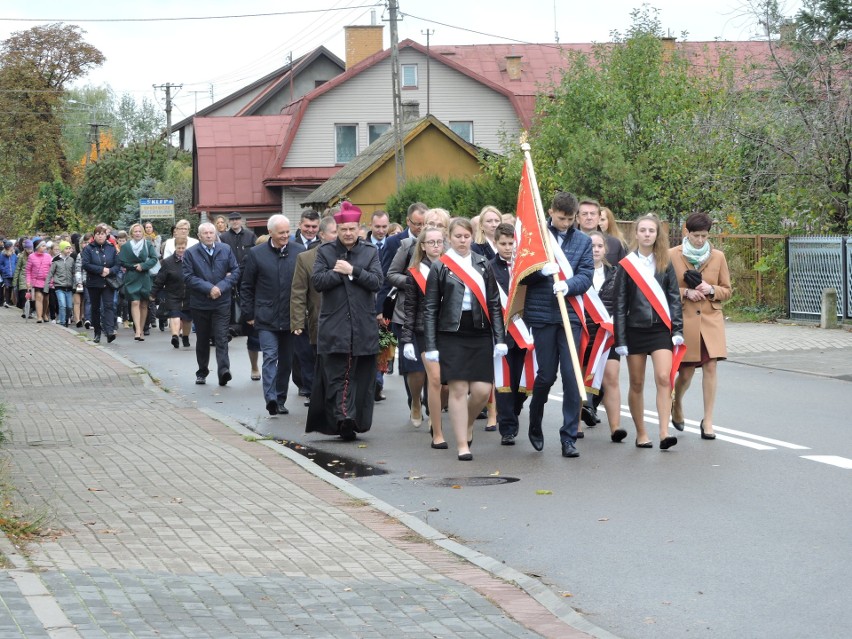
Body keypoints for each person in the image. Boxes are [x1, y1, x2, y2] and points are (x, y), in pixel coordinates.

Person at [423, 217, 506, 461]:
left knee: (482, 390)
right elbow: (430, 308)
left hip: (479, 331)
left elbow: (493, 302)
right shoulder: (441, 266)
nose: (462, 240)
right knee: (458, 389)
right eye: (457, 236)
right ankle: (462, 444)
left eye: (466, 236)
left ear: (473, 237)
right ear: (449, 237)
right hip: (451, 333)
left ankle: (467, 423)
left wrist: (499, 338)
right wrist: (431, 346)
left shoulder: (483, 264)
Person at [521, 191, 593, 458]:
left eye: (570, 219)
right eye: (561, 218)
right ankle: (535, 417)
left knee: (573, 376)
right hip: (542, 316)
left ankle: (568, 437)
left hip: (570, 315)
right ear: (551, 212)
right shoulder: (537, 238)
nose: (565, 224)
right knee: (547, 375)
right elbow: (522, 275)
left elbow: (586, 275)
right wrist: (541, 273)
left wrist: (568, 285)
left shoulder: (583, 241)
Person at [306, 202, 383, 441]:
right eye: (343, 230)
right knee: (338, 374)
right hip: (335, 326)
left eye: (352, 229)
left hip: (362, 325)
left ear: (359, 229)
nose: (348, 233)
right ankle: (343, 418)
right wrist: (338, 273)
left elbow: (377, 282)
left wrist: (353, 271)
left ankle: (353, 419)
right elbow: (318, 282)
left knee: (359, 375)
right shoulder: (326, 251)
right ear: (337, 230)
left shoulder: (369, 252)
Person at [614, 213, 684, 450]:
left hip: (660, 330)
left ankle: (664, 433)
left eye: (651, 231)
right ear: (636, 233)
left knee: (664, 378)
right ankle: (642, 433)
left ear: (657, 234)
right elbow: (620, 303)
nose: (646, 234)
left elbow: (674, 297)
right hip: (634, 330)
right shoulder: (626, 265)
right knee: (636, 383)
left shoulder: (665, 262)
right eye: (642, 230)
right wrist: (620, 338)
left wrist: (677, 329)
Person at [670, 212, 732, 440]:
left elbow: (727, 290)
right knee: (685, 373)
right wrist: (685, 292)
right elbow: (662, 290)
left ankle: (708, 420)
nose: (700, 240)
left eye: (704, 236)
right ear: (687, 232)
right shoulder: (671, 256)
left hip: (710, 320)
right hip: (685, 320)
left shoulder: (718, 257)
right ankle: (676, 403)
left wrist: (712, 289)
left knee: (711, 366)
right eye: (696, 236)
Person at [240, 215, 304, 416]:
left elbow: (304, 286)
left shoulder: (299, 252)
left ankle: (280, 398)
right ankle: (271, 399)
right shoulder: (257, 254)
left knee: (286, 361)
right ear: (270, 233)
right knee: (270, 357)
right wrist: (249, 313)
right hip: (265, 316)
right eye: (281, 233)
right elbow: (247, 285)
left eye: (287, 232)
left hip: (291, 317)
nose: (285, 236)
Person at [402, 225, 448, 447]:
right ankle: (425, 411)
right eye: (431, 242)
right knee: (433, 378)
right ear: (423, 245)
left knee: (446, 383)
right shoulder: (415, 272)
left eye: (439, 242)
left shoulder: (452, 267)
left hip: (447, 330)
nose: (436, 246)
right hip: (422, 330)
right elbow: (410, 307)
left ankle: (434, 409)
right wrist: (406, 337)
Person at [490, 223, 532, 446]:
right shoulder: (488, 268)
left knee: (522, 384)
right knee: (504, 383)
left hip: (525, 332)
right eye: (503, 244)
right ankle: (506, 427)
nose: (508, 248)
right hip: (502, 334)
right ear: (495, 243)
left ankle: (515, 410)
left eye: (511, 243)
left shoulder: (526, 266)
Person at [582, 231, 627, 442]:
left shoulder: (617, 273)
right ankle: (575, 426)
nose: (596, 250)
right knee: (579, 381)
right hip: (583, 335)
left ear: (605, 249)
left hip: (608, 337)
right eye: (591, 246)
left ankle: (615, 427)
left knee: (611, 379)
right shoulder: (577, 273)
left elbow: (623, 302)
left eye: (599, 246)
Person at [182, 222, 240, 386]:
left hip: (221, 302)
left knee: (221, 338)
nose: (208, 235)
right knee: (202, 339)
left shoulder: (225, 249)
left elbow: (235, 271)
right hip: (200, 304)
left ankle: (224, 371)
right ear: (199, 236)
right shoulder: (191, 253)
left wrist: (220, 287)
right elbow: (188, 277)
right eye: (205, 233)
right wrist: (209, 289)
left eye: (211, 233)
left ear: (215, 235)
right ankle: (202, 371)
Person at [290, 216, 337, 404]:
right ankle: (314, 393)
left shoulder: (352, 256)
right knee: (314, 359)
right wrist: (297, 322)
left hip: (345, 320)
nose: (339, 235)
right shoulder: (306, 258)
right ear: (322, 234)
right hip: (317, 319)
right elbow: (298, 292)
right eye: (334, 232)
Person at [219, 211, 260, 377]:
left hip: (247, 275)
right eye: (232, 220)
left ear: (241, 220)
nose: (235, 222)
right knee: (229, 302)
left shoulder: (250, 236)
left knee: (244, 302)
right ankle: (232, 326)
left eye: (237, 219)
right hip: (229, 274)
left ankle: (240, 325)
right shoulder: (223, 237)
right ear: (229, 222)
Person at [119, 223, 159, 341]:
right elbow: (122, 261)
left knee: (144, 304)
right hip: (132, 276)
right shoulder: (126, 246)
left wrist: (143, 266)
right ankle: (137, 330)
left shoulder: (147, 244)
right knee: (135, 302)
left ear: (143, 233)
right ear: (131, 233)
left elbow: (154, 258)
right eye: (135, 231)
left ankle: (141, 329)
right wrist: (133, 266)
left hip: (145, 276)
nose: (137, 233)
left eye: (139, 231)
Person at [81, 224, 120, 343]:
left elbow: (117, 265)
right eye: (98, 234)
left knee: (108, 306)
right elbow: (86, 264)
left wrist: (109, 271)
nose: (100, 236)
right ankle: (97, 332)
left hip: (108, 282)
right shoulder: (89, 248)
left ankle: (109, 331)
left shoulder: (111, 248)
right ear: (94, 236)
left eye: (102, 234)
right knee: (95, 308)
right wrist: (101, 270)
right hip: (94, 282)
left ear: (106, 235)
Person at [151, 236, 192, 348]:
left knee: (187, 319)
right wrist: (153, 293)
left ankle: (185, 336)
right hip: (173, 294)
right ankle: (175, 336)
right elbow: (160, 279)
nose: (181, 250)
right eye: (179, 248)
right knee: (175, 315)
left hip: (188, 294)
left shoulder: (191, 260)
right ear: (175, 247)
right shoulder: (167, 262)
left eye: (183, 248)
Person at [578, 199, 627, 270]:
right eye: (584, 214)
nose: (589, 217)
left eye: (593, 214)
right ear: (577, 218)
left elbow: (622, 274)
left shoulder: (614, 244)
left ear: (599, 218)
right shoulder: (569, 243)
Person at [46, 240, 75, 327]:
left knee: (69, 306)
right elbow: (50, 273)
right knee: (62, 305)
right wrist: (46, 287)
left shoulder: (71, 260)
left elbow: (74, 273)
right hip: (59, 286)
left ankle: (66, 319)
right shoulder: (56, 260)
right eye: (67, 248)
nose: (69, 250)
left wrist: (75, 284)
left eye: (70, 248)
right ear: (62, 249)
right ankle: (62, 322)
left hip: (69, 286)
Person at [26, 240, 54, 323]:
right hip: (36, 281)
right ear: (38, 247)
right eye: (43, 246)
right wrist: (28, 282)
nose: (45, 247)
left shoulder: (48, 256)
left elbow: (52, 269)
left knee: (46, 299)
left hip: (47, 282)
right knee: (39, 297)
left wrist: (52, 280)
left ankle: (44, 314)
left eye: (45, 246)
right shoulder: (31, 257)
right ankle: (39, 317)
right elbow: (28, 270)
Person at [13, 239, 32, 318]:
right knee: (23, 295)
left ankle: (30, 311)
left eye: (31, 249)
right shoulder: (21, 256)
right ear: (25, 249)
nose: (29, 250)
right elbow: (18, 269)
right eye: (28, 249)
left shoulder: (34, 256)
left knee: (31, 295)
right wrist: (15, 281)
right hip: (23, 277)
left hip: (31, 277)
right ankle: (24, 311)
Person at [1, 239, 18, 307]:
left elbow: (16, 262)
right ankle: (7, 301)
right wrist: (4, 270)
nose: (12, 247)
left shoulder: (14, 254)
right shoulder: (2, 254)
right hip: (6, 274)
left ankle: (8, 301)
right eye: (11, 246)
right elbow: (1, 264)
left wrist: (15, 269)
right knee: (7, 287)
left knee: (11, 287)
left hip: (13, 274)